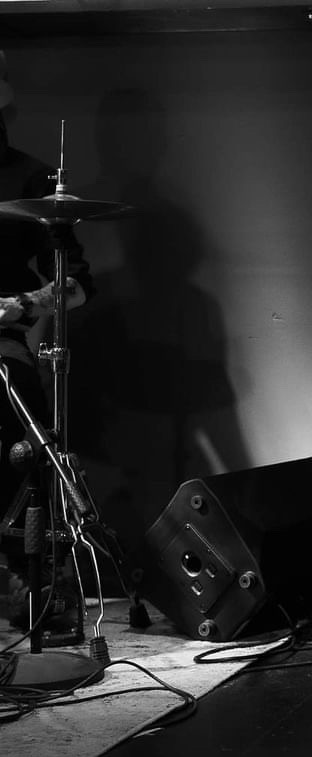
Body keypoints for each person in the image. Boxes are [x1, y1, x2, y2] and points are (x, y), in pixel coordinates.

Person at [0, 52, 93, 627]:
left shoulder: (29, 178)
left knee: (18, 421)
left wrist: (25, 304)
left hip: (3, 344)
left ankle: (28, 574)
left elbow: (76, 285)